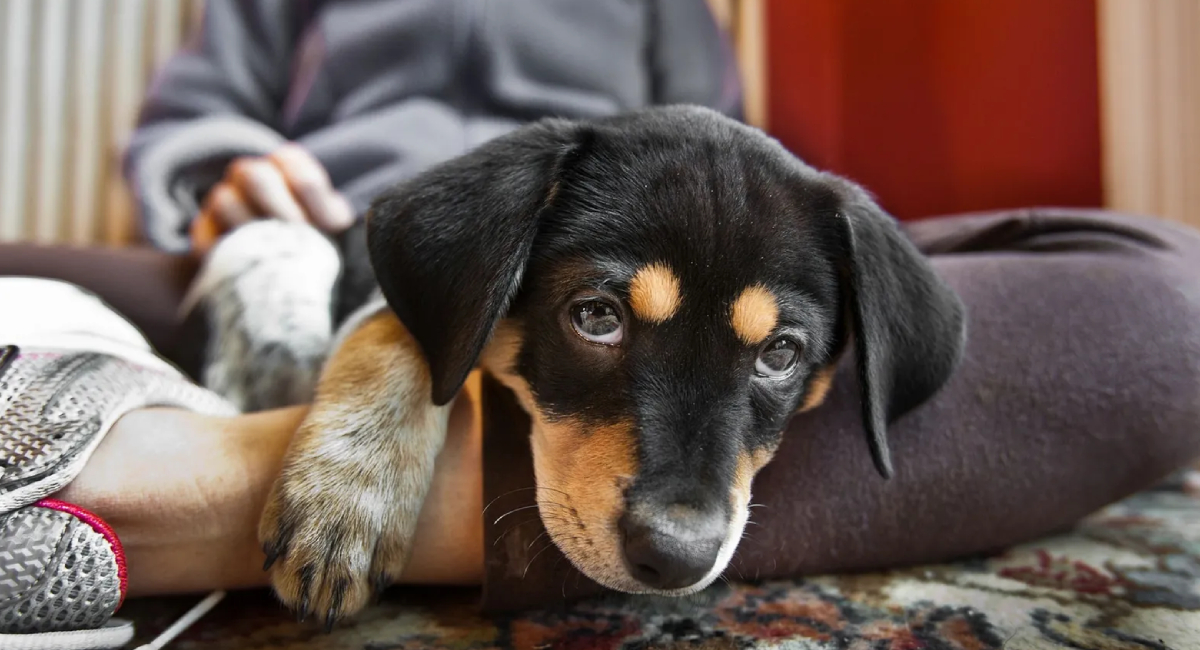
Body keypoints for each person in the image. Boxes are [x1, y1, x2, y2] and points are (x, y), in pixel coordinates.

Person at [6, 2, 1200, 650]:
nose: (683, 522)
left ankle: (168, 492)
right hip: (330, 239)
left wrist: (768, 320)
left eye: (783, 351)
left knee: (1168, 299)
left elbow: (725, 184)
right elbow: (198, 117)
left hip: (605, 206)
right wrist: (223, 169)